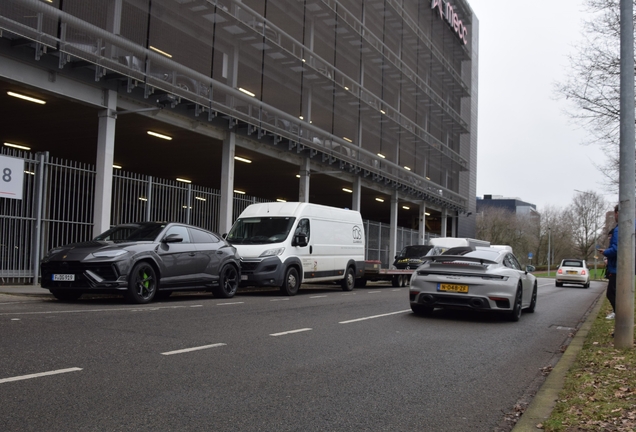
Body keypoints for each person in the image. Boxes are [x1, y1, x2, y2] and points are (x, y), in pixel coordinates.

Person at [598, 205, 618, 320]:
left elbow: (617, 249)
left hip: (617, 267)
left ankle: (619, 314)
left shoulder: (619, 229)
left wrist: (606, 252)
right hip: (619, 266)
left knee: (611, 293)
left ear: (617, 213)